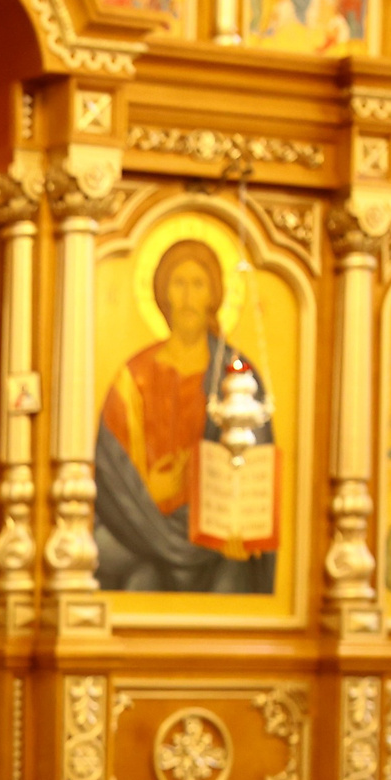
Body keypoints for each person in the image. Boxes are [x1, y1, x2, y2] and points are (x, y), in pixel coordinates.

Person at [93, 239, 277, 594]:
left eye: (198, 284)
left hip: (213, 530)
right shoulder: (133, 376)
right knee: (125, 569)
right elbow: (110, 469)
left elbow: (257, 462)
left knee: (234, 578)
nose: (188, 297)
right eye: (179, 283)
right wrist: (151, 490)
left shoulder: (237, 374)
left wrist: (239, 523)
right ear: (163, 292)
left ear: (214, 294)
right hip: (140, 522)